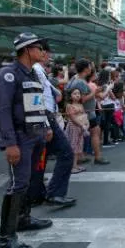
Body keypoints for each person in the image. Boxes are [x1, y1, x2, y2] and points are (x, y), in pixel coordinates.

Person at [0, 33, 55, 248]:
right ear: (27, 50)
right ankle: (5, 238)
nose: (43, 52)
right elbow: (3, 111)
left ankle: (23, 218)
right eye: (39, 48)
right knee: (17, 185)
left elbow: (37, 103)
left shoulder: (33, 74)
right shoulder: (7, 75)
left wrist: (46, 126)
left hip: (36, 135)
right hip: (19, 137)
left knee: (27, 181)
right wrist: (10, 143)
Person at [32, 45, 76, 207]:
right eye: (42, 50)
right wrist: (45, 123)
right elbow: (35, 98)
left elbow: (51, 94)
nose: (47, 55)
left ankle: (38, 193)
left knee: (39, 157)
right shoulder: (35, 70)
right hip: (45, 117)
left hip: (47, 116)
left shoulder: (39, 71)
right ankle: (54, 193)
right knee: (66, 153)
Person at [66, 59, 110, 165]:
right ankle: (97, 157)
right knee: (95, 132)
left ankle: (80, 156)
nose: (91, 68)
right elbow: (83, 99)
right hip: (86, 113)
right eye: (90, 66)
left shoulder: (75, 78)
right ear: (86, 69)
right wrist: (94, 92)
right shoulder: (80, 81)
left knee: (80, 135)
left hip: (81, 112)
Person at [65, 88, 89, 174]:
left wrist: (86, 124)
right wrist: (82, 125)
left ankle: (75, 165)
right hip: (74, 128)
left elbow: (84, 115)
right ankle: (72, 166)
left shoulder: (81, 105)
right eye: (75, 93)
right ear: (70, 96)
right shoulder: (69, 106)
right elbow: (73, 118)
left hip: (81, 128)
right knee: (73, 146)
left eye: (78, 93)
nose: (77, 95)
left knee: (78, 146)